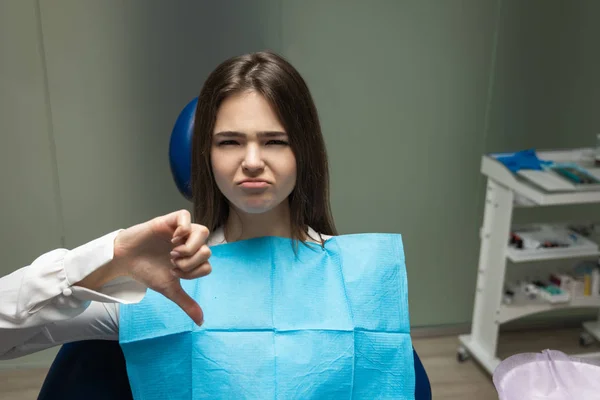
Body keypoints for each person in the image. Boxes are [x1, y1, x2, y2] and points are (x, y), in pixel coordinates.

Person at [0, 51, 413, 399]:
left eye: (275, 141)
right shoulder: (158, 282)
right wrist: (109, 258)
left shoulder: (359, 281)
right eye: (229, 142)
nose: (252, 161)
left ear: (304, 152)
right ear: (205, 156)